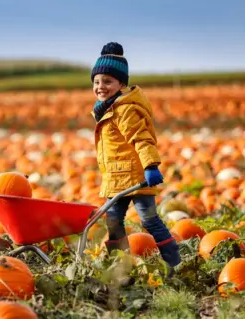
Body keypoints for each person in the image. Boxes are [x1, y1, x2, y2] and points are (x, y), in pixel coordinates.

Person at [90, 42, 181, 268]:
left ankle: (173, 262)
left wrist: (150, 166)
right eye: (97, 82)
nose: (101, 86)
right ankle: (119, 265)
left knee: (149, 220)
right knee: (113, 221)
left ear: (121, 83)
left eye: (107, 81)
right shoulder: (108, 109)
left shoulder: (125, 110)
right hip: (117, 179)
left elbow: (141, 138)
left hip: (137, 178)